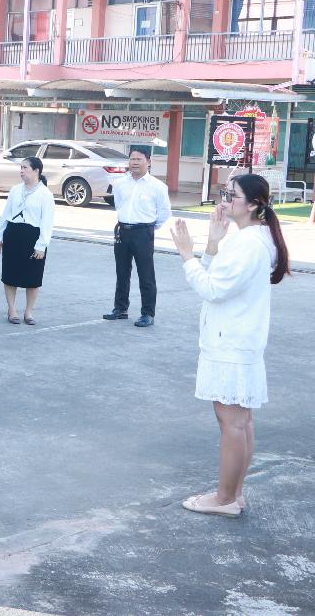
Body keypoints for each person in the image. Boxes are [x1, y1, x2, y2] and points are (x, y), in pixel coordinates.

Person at [171, 174, 290, 518]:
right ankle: (234, 494)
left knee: (232, 423)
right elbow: (217, 279)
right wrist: (212, 243)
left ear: (253, 204)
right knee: (241, 421)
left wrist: (186, 255)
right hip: (238, 339)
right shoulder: (253, 238)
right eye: (224, 193)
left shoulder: (249, 244)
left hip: (231, 342)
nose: (224, 200)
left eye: (231, 195)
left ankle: (224, 498)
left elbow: (211, 289)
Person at [104, 149, 171, 328]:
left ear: (148, 161)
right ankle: (120, 308)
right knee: (122, 272)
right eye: (132, 159)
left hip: (143, 233)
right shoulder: (120, 183)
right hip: (122, 231)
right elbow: (119, 204)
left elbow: (164, 212)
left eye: (139, 159)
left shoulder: (157, 186)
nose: (134, 162)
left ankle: (147, 313)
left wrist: (149, 227)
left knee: (146, 274)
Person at [0, 156, 55, 325]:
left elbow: (47, 222)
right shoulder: (15, 190)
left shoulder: (45, 194)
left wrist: (42, 245)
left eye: (25, 168)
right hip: (13, 234)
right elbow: (6, 214)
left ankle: (29, 311)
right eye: (20, 168)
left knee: (33, 277)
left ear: (36, 171)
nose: (21, 171)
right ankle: (12, 309)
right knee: (10, 274)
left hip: (33, 237)